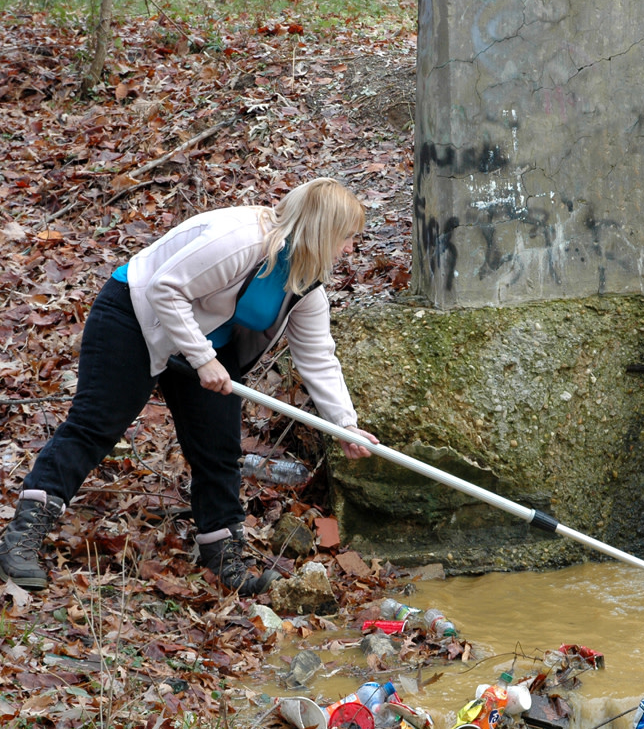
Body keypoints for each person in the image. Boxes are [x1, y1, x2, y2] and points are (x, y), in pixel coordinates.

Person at [0, 178, 378, 595]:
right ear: (322, 230)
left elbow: (318, 356)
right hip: (135, 317)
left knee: (219, 450)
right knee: (96, 425)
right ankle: (22, 538)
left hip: (208, 343)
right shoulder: (240, 239)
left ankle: (226, 561)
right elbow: (164, 287)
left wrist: (344, 424)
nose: (349, 249)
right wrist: (203, 359)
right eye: (347, 237)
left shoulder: (304, 282)